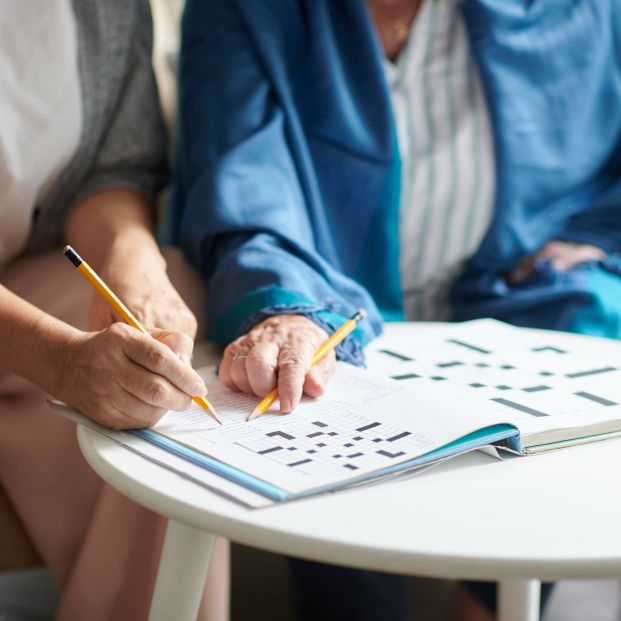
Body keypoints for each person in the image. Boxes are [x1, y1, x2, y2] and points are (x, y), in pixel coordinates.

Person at [171, 0, 621, 619]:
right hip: (334, 311)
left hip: (519, 307)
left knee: (589, 339)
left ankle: (489, 605)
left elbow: (602, 168)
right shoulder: (244, 12)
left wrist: (600, 236)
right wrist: (292, 308)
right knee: (304, 394)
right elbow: (243, 189)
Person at [0, 1, 228, 619]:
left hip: (20, 266)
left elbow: (109, 172)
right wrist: (59, 360)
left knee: (161, 341)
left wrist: (140, 275)